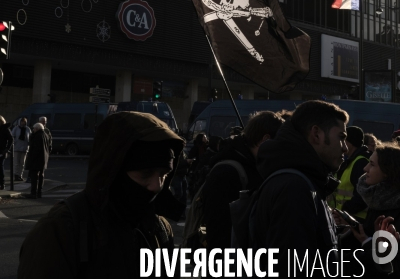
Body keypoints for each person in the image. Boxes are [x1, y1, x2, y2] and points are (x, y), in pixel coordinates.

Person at [18, 112, 185, 278]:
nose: (156, 186)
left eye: (163, 174)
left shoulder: (159, 228)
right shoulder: (59, 230)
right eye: (145, 174)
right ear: (114, 171)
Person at [253, 100, 349, 277]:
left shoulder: (305, 181)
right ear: (316, 134)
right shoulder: (295, 188)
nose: (345, 148)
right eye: (341, 137)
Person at [202, 110, 284, 251]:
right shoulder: (227, 172)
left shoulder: (254, 166)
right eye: (279, 145)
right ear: (266, 140)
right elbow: (218, 231)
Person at [343, 142, 400, 278]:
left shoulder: (391, 206)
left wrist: (367, 242)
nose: (365, 168)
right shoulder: (378, 199)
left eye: (372, 165)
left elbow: (390, 262)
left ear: (387, 171)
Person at [331, 125, 370, 220]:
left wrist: (344, 210)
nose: (342, 144)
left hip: (355, 219)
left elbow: (362, 196)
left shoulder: (360, 163)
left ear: (351, 143)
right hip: (347, 217)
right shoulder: (352, 161)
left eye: (344, 140)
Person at [23, 123, 50, 199]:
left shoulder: (37, 136)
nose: (33, 130)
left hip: (36, 159)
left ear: (37, 129)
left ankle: (33, 193)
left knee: (34, 177)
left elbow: (35, 149)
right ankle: (39, 192)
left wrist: (31, 158)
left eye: (34, 129)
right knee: (41, 176)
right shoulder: (45, 135)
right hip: (43, 158)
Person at [0, 115, 13, 190]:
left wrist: (7, 148)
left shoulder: (5, 129)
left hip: (2, 151)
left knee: (0, 167)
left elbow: (11, 139)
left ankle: (2, 183)